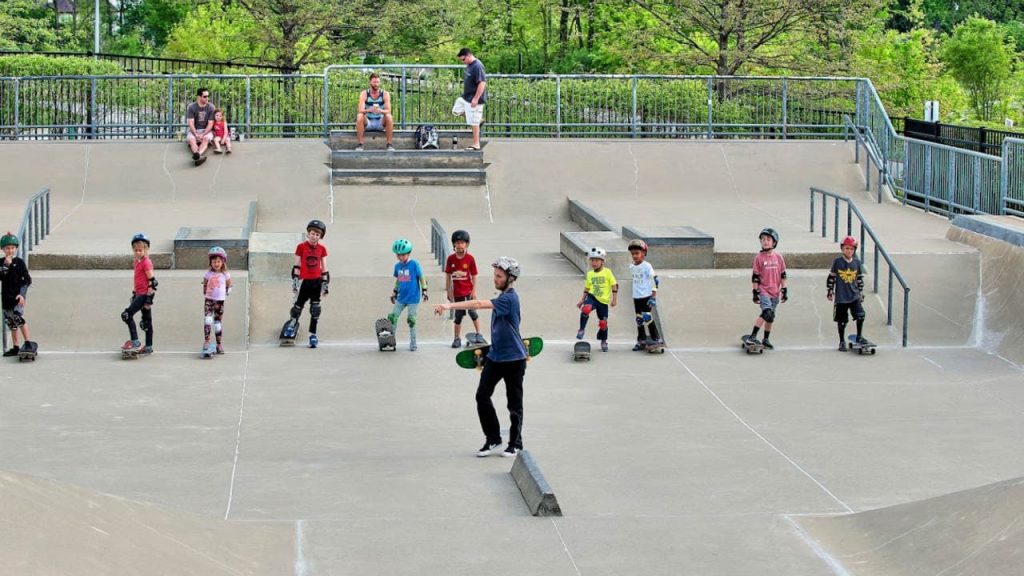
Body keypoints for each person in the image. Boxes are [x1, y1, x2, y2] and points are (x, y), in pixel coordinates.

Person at [434, 256, 527, 458]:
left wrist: (449, 306)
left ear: (510, 278)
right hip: (495, 356)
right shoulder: (503, 296)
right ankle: (493, 439)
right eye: (495, 275)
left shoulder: (509, 299)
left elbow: (478, 303)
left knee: (514, 403)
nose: (495, 279)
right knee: (482, 395)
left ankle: (515, 443)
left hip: (514, 359)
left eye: (499, 276)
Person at [745, 228, 787, 350]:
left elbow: (783, 274)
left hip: (775, 291)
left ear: (774, 242)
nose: (765, 242)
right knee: (766, 313)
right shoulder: (758, 258)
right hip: (764, 290)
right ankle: (752, 336)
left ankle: (766, 339)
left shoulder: (778, 257)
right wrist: (755, 292)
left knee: (771, 316)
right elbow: (755, 277)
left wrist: (784, 290)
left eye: (768, 239)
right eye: (763, 239)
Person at [290, 220, 330, 349]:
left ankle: (313, 335)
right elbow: (296, 265)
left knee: (315, 310)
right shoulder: (301, 247)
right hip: (304, 282)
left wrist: (325, 284)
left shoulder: (322, 249)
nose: (314, 236)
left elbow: (324, 268)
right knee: (297, 307)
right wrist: (295, 282)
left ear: (320, 237)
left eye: (317, 235)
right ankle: (292, 325)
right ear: (308, 233)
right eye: (312, 233)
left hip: (316, 282)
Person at [828, 236, 867, 351]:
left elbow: (859, 279)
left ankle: (859, 336)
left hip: (854, 295)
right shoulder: (837, 262)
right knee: (842, 320)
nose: (849, 251)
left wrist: (860, 292)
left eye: (851, 249)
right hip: (841, 297)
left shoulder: (856, 263)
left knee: (861, 315)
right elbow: (831, 277)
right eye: (846, 248)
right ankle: (841, 341)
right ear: (842, 249)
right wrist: (830, 290)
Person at [121, 233, 157, 356]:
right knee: (147, 322)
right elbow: (139, 280)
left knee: (127, 315)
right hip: (139, 294)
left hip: (144, 295)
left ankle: (135, 342)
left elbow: (153, 282)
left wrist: (148, 300)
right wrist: (134, 294)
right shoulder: (137, 262)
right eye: (135, 250)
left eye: (140, 250)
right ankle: (148, 346)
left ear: (146, 250)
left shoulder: (146, 262)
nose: (138, 253)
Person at [576, 247, 618, 352]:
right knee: (586, 309)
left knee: (603, 323)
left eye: (596, 260)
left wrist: (614, 299)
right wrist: (582, 300)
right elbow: (587, 289)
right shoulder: (590, 274)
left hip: (603, 302)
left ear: (602, 261)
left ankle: (603, 341)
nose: (594, 263)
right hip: (592, 297)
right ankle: (581, 329)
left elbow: (614, 285)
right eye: (592, 260)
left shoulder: (607, 272)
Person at [389, 238, 427, 351]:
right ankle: (391, 341)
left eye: (403, 255)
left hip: (413, 299)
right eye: (398, 255)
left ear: (408, 253)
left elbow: (422, 277)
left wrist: (425, 290)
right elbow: (399, 280)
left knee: (411, 321)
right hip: (401, 298)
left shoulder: (414, 264)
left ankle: (413, 343)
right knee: (393, 318)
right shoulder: (397, 266)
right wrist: (394, 292)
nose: (400, 257)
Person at [445, 229, 481, 348]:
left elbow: (474, 275)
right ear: (454, 244)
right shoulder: (451, 259)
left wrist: (474, 291)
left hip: (468, 292)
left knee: (473, 313)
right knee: (458, 317)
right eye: (457, 242)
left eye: (462, 242)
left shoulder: (470, 259)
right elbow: (448, 275)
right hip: (457, 293)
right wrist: (449, 290)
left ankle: (478, 334)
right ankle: (456, 338)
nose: (460, 245)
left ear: (467, 244)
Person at [1, 232, 33, 357]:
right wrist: (6, 265)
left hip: (17, 297)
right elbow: (1, 276)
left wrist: (22, 295)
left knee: (18, 318)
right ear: (3, 249)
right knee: (11, 322)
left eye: (13, 248)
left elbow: (27, 280)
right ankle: (15, 346)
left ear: (16, 248)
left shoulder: (19, 262)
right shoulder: (1, 263)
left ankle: (28, 342)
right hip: (6, 297)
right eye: (7, 248)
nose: (10, 250)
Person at [628, 239, 662, 351]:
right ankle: (641, 340)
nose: (635, 256)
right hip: (636, 297)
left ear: (644, 254)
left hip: (646, 296)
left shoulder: (647, 266)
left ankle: (656, 338)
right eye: (633, 254)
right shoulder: (631, 267)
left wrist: (653, 296)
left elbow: (655, 280)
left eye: (637, 253)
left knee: (647, 317)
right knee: (639, 319)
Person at [202, 246, 234, 355]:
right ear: (210, 262)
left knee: (217, 323)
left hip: (219, 302)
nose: (216, 264)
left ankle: (219, 344)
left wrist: (228, 290)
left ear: (223, 262)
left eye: (219, 261)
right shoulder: (208, 274)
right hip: (209, 300)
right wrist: (205, 290)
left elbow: (230, 284)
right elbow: (205, 283)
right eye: (214, 261)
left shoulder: (225, 274)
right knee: (207, 320)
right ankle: (207, 341)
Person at [453, 48, 486, 150]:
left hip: (474, 99)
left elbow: (482, 83)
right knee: (456, 110)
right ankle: (478, 119)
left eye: (463, 60)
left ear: (468, 56)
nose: (463, 62)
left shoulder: (477, 66)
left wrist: (476, 98)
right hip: (466, 97)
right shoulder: (469, 65)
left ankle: (476, 144)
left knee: (474, 122)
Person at [355, 73, 394, 151]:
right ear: (370, 82)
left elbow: (388, 110)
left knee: (389, 116)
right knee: (359, 116)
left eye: (378, 82)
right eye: (374, 82)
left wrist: (380, 110)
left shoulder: (385, 94)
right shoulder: (364, 93)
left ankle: (389, 144)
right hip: (368, 122)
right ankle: (360, 144)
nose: (376, 84)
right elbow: (360, 110)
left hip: (380, 122)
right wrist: (369, 110)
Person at [187, 87, 216, 166]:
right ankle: (198, 156)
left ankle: (197, 155)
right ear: (199, 97)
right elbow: (190, 122)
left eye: (208, 96)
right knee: (192, 140)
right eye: (205, 96)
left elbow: (210, 124)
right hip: (194, 130)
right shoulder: (192, 107)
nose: (207, 98)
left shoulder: (211, 107)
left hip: (206, 130)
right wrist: (195, 133)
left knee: (206, 139)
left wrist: (203, 134)